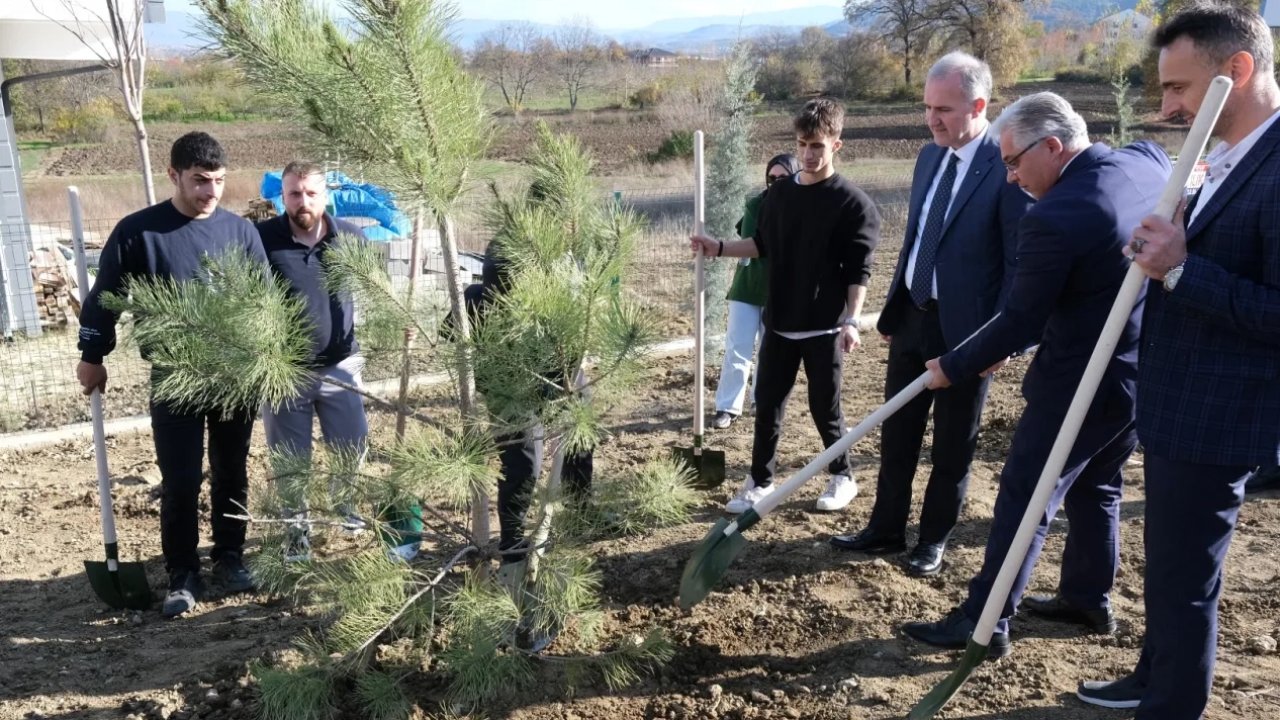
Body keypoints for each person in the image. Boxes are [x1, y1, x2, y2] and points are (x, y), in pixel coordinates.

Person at [900, 92, 1171, 659]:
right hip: (1138, 373)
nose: (1010, 176)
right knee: (1098, 485)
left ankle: (985, 619)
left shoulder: (1055, 215)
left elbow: (1021, 319)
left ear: (1052, 146)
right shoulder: (1144, 161)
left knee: (1026, 497)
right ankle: (1087, 597)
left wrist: (952, 365)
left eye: (1014, 162)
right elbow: (1164, 168)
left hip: (1078, 384)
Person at [1079, 5, 1280, 716]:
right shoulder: (1226, 156)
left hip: (1222, 413)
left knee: (1187, 577)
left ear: (1238, 71)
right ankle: (1153, 674)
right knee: (1166, 568)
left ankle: (1172, 704)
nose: (1167, 108)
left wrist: (1182, 269)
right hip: (1176, 403)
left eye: (1178, 88)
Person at [830, 52, 1032, 577]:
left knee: (952, 443)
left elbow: (1018, 260)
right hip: (913, 317)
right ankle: (885, 528)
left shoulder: (1005, 166)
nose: (930, 119)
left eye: (943, 109)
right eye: (927, 107)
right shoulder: (928, 157)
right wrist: (896, 308)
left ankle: (933, 539)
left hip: (968, 332)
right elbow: (918, 239)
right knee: (897, 432)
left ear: (979, 106)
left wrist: (1003, 339)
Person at [76, 132, 268, 619]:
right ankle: (183, 573)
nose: (211, 192)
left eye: (219, 181)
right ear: (173, 175)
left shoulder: (240, 232)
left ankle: (230, 558)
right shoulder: (139, 232)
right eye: (200, 180)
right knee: (181, 480)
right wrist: (93, 354)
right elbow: (105, 297)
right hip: (174, 376)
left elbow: (265, 302)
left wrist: (266, 358)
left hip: (234, 375)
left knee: (232, 471)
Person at [691, 98, 881, 514]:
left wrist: (852, 320)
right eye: (802, 145)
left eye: (817, 146)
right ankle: (760, 482)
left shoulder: (853, 204)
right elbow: (761, 245)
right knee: (768, 406)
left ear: (836, 144)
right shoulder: (779, 196)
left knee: (824, 409)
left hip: (824, 327)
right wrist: (717, 247)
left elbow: (859, 270)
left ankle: (843, 476)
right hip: (779, 322)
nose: (808, 154)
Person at [254, 161, 422, 563]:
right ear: (283, 196)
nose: (303, 201)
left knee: (352, 445)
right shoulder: (262, 240)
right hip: (285, 371)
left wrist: (400, 319)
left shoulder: (350, 237)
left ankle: (345, 506)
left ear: (325, 196)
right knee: (290, 458)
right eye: (294, 193)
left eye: (311, 193)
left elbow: (377, 289)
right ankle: (297, 532)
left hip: (341, 366)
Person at [712, 154, 802, 430]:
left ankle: (761, 401)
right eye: (771, 178)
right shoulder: (756, 205)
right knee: (737, 348)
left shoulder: (805, 207)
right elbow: (757, 245)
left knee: (769, 350)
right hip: (748, 287)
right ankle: (727, 407)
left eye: (783, 178)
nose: (775, 183)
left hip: (780, 290)